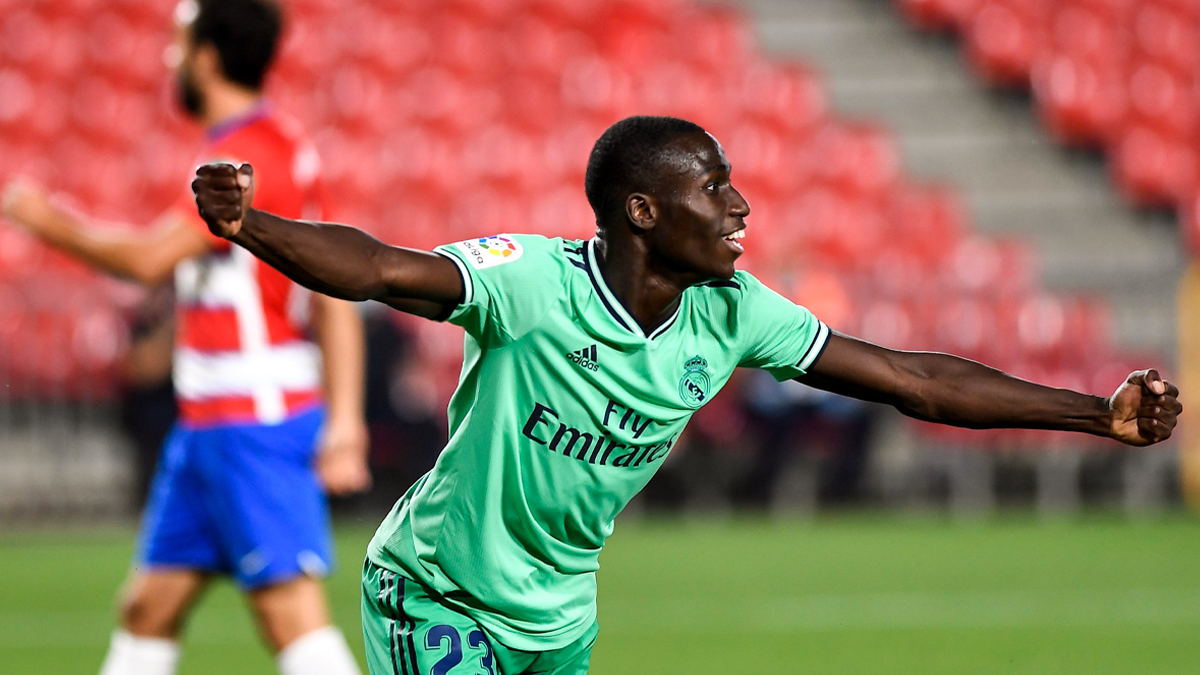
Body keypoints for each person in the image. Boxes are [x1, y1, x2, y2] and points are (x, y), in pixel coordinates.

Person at [189, 115, 1181, 675]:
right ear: (643, 210)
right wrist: (252, 227)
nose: (740, 206)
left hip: (558, 612)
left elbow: (911, 378)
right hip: (439, 588)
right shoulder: (534, 283)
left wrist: (1093, 413)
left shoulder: (734, 311)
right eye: (715, 188)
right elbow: (379, 269)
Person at [0, 2, 368, 674]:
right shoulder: (277, 144)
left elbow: (147, 258)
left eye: (177, 47)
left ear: (204, 58)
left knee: (288, 612)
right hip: (209, 424)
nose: (169, 61)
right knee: (149, 606)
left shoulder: (247, 157)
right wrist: (344, 417)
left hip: (252, 418)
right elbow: (332, 300)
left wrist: (44, 219)